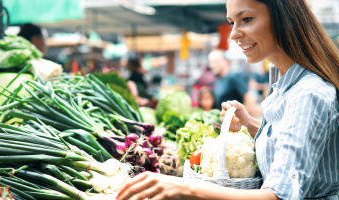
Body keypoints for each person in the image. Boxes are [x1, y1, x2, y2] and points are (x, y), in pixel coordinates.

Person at [117, 0, 339, 199]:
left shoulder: (308, 93)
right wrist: (251, 124)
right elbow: (291, 142)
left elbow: (278, 196)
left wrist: (185, 187)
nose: (233, 34)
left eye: (247, 19)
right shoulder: (281, 79)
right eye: (232, 22)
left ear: (284, 18)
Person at [208, 49, 260, 117]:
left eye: (215, 62)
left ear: (226, 61)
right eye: (210, 62)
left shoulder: (233, 77)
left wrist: (250, 122)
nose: (212, 65)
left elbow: (249, 96)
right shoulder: (217, 79)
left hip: (235, 123)